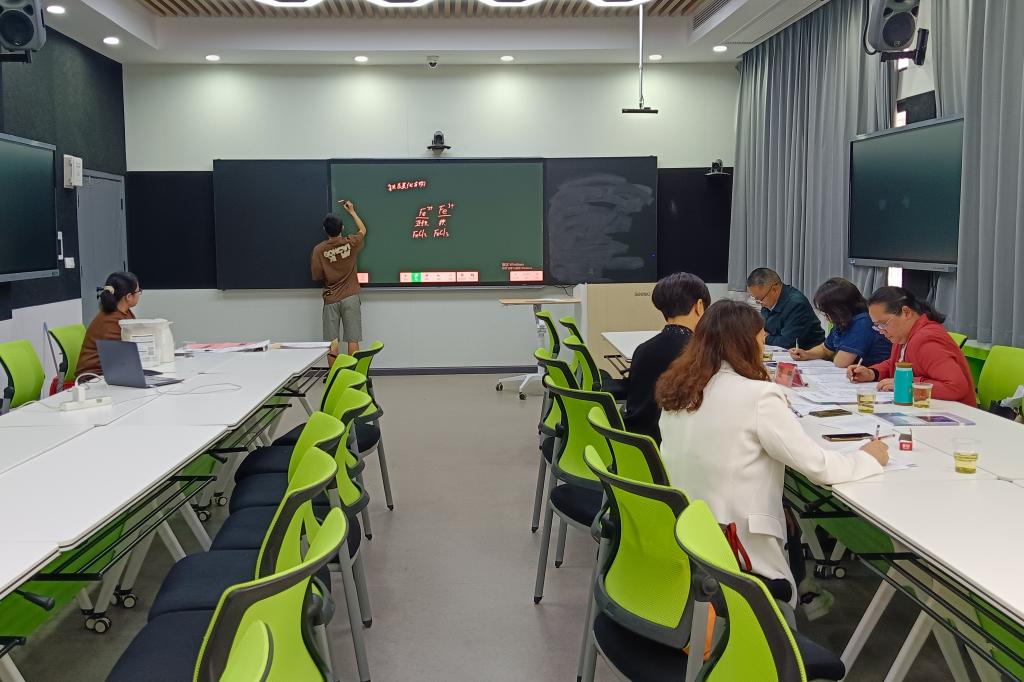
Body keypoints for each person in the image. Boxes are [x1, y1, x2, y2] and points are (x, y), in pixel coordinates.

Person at [656, 300, 888, 606]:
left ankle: (809, 597)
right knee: (791, 515)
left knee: (789, 515)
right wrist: (868, 457)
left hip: (692, 535)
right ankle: (804, 600)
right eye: (761, 337)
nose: (764, 342)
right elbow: (819, 467)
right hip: (736, 547)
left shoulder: (680, 389)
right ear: (746, 343)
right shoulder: (759, 397)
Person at [848, 286, 976, 407]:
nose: (881, 331)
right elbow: (899, 364)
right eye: (877, 326)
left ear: (906, 312)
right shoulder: (904, 335)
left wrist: (906, 384)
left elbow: (955, 387)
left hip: (953, 413)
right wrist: (872, 373)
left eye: (883, 324)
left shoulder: (927, 339)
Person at [622, 272, 710, 443]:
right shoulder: (699, 354)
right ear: (699, 306)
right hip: (670, 444)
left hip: (636, 441)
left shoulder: (642, 349)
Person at [789, 277, 891, 368]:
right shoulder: (844, 320)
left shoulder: (863, 322)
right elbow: (826, 349)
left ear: (839, 310)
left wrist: (833, 355)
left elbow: (841, 363)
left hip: (873, 377)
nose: (827, 318)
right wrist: (807, 354)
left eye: (828, 313)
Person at [313, 199, 366, 356]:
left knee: (332, 343)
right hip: (351, 297)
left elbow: (317, 275)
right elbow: (363, 230)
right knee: (353, 340)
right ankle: (352, 371)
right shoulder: (351, 243)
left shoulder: (318, 250)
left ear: (324, 229)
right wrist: (352, 211)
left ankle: (335, 372)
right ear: (342, 228)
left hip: (331, 298)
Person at [77, 272, 142, 378]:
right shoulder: (111, 321)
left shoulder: (125, 312)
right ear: (129, 296)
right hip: (94, 379)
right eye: (138, 291)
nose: (139, 294)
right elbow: (121, 357)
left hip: (112, 372)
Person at [746, 268, 825, 350]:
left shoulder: (796, 304)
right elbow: (764, 330)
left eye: (759, 299)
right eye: (756, 299)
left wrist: (763, 337)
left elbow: (787, 342)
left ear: (774, 289)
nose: (758, 303)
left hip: (810, 353)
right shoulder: (767, 302)